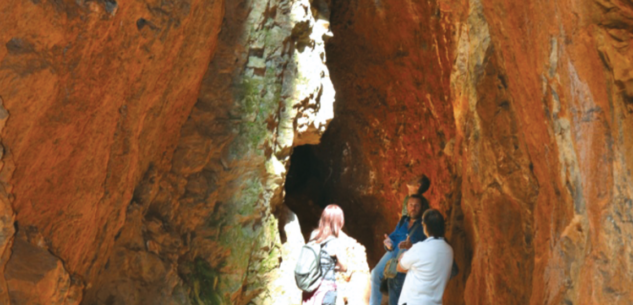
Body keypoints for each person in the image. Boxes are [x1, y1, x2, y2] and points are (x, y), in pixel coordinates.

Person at [370, 195, 428, 305]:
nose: (413, 208)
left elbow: (426, 248)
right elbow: (392, 237)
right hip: (393, 252)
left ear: (422, 207)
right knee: (375, 274)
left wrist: (412, 246)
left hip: (407, 257)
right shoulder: (403, 221)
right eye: (411, 205)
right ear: (407, 206)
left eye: (417, 205)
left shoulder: (423, 225)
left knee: (396, 285)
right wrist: (388, 244)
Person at [396, 209, 453, 305]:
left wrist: (405, 255)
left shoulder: (420, 248)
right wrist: (411, 248)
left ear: (425, 226)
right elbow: (429, 264)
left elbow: (399, 267)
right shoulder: (449, 250)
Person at [302, 204, 348, 305]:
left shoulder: (314, 235)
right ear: (339, 221)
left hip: (310, 287)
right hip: (326, 291)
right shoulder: (336, 241)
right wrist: (336, 265)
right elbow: (344, 267)